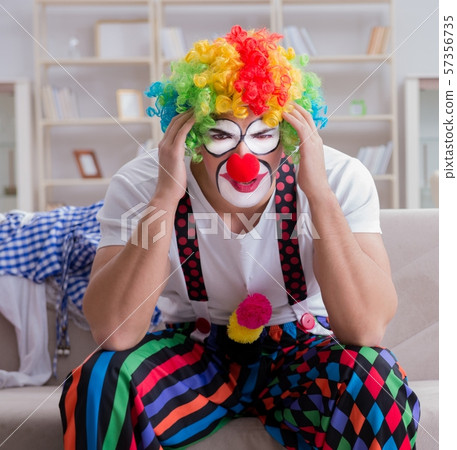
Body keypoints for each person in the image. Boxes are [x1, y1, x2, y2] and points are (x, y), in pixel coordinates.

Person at [59, 26, 420, 449]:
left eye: (264, 133)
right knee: (101, 379)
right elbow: (114, 333)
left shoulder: (339, 178)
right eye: (220, 135)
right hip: (195, 354)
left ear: (289, 134)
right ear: (189, 134)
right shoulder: (141, 184)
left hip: (303, 355)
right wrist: (165, 197)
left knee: (376, 378)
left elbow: (366, 328)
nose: (244, 161)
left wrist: (319, 194)